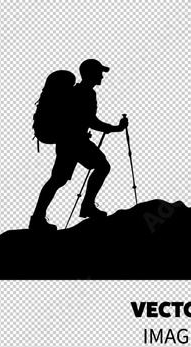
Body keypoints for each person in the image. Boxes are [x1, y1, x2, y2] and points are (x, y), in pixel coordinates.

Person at [29, 59, 128, 231]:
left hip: (68, 141)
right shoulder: (85, 93)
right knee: (101, 166)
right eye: (99, 72)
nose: (102, 77)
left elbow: (84, 120)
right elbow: (92, 121)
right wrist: (116, 128)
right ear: (90, 73)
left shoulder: (77, 92)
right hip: (74, 141)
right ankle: (87, 206)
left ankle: (37, 218)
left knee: (58, 180)